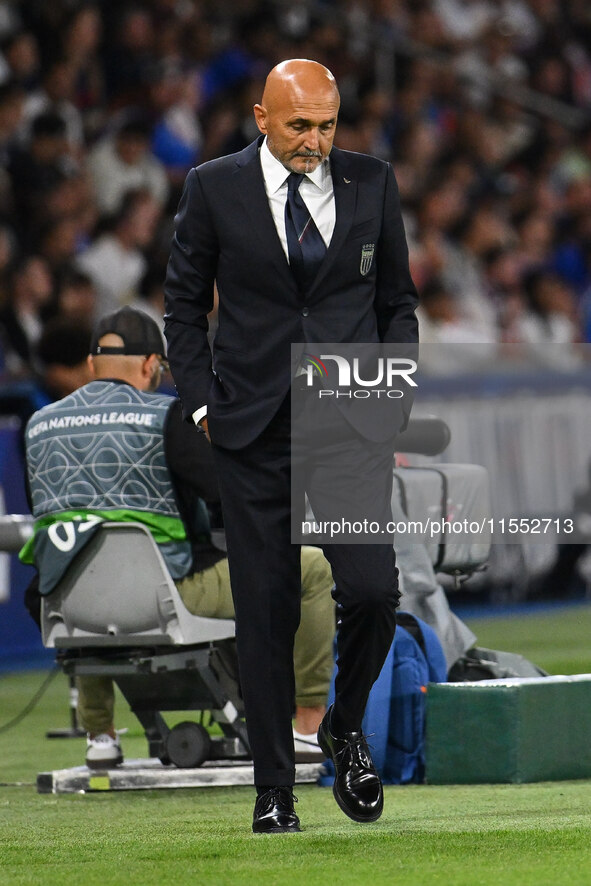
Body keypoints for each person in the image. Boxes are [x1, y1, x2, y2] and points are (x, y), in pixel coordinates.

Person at [164, 59, 418, 832]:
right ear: (261, 117)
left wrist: (391, 390)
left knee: (373, 591)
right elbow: (181, 305)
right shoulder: (212, 187)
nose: (315, 140)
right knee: (267, 610)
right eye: (300, 125)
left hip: (346, 422)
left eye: (328, 124)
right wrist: (204, 405)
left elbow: (396, 302)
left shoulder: (373, 182)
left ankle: (341, 724)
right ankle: (273, 788)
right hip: (251, 429)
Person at [21, 306, 335, 768]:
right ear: (151, 365)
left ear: (91, 366)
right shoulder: (165, 416)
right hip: (165, 598)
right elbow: (229, 495)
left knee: (82, 565)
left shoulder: (38, 425)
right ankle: (308, 727)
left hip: (72, 607)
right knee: (310, 566)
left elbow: (57, 518)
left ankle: (100, 737)